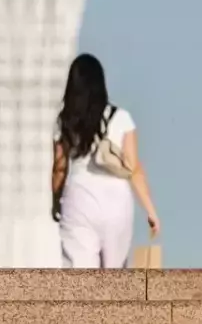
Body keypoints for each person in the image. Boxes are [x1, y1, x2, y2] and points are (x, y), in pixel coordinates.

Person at [52, 53, 160, 268]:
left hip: (79, 200)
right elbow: (134, 168)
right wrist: (150, 210)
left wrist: (56, 200)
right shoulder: (121, 118)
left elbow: (59, 169)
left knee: (80, 281)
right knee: (114, 279)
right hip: (117, 203)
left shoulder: (65, 120)